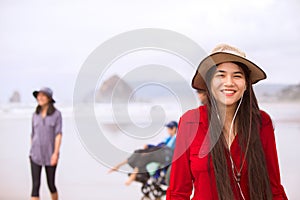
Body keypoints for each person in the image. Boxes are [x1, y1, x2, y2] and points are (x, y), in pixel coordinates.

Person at [166, 44, 287, 200]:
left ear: (246, 85)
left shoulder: (262, 122)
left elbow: (274, 188)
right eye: (220, 75)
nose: (229, 82)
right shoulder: (190, 122)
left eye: (237, 75)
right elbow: (178, 191)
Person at [108, 121, 178, 186]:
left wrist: (151, 150)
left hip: (165, 156)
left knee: (145, 156)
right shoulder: (168, 138)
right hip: (159, 152)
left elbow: (167, 149)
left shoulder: (176, 138)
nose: (167, 130)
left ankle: (134, 174)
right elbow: (159, 146)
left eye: (169, 128)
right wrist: (149, 146)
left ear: (174, 129)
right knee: (138, 152)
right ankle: (118, 166)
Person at [29, 87, 62, 200]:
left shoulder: (57, 114)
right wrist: (31, 150)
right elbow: (32, 134)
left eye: (43, 95)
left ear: (49, 98)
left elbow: (58, 135)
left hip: (50, 155)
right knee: (35, 187)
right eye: (38, 95)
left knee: (51, 185)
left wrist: (55, 154)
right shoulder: (35, 115)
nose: (40, 98)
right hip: (35, 155)